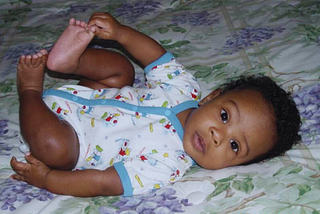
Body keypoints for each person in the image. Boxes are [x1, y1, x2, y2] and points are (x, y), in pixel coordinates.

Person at [11, 13, 301, 197]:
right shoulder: (184, 88)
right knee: (122, 70)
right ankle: (71, 62)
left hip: (71, 138)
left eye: (235, 146)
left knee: (53, 148)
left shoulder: (168, 165)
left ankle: (30, 89)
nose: (218, 135)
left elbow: (102, 183)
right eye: (225, 116)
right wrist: (122, 33)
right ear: (213, 96)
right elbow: (156, 57)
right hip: (94, 93)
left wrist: (49, 179)